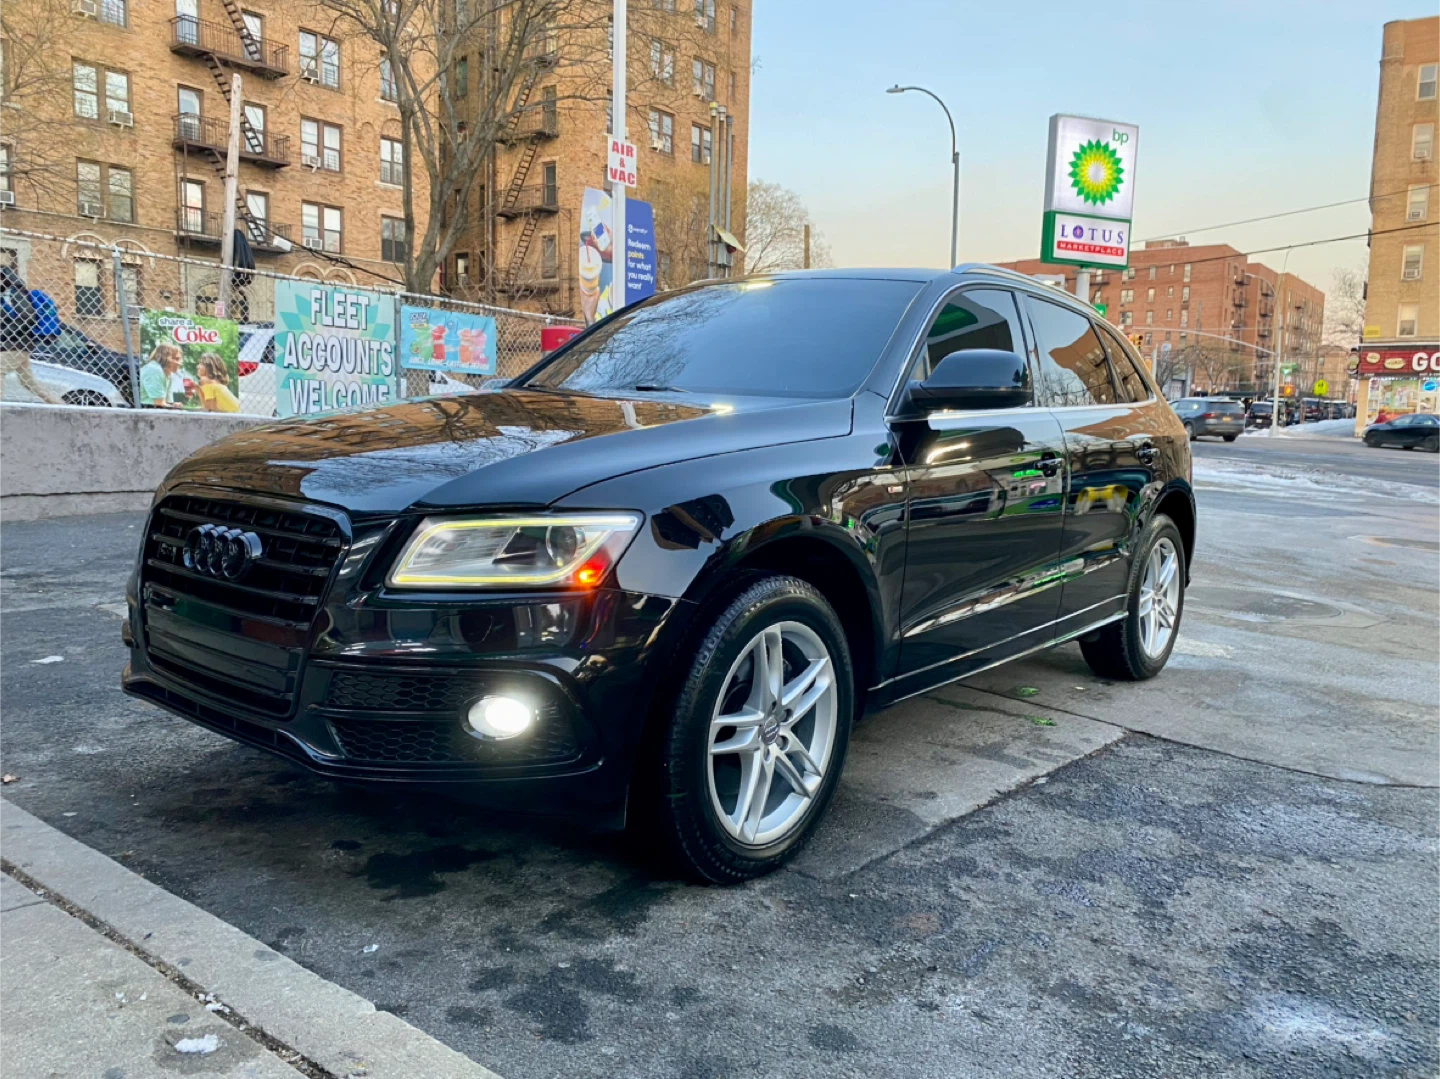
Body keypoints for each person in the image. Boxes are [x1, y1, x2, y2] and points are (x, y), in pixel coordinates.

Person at [0, 267, 59, 404]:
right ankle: (60, 405)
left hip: (16, 344)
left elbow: (26, 318)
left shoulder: (19, 295)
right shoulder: (4, 298)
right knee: (29, 382)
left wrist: (6, 332)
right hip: (14, 344)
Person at [139, 343, 184, 408]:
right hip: (143, 409)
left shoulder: (168, 374)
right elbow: (159, 404)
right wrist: (173, 407)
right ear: (166, 358)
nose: (180, 363)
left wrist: (174, 405)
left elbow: (166, 402)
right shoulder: (155, 370)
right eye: (176, 359)